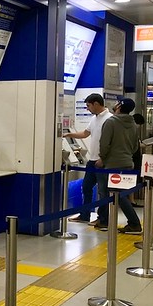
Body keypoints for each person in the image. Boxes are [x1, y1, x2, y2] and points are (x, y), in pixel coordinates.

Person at [95, 98, 142, 234]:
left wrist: (102, 158)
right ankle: (110, 221)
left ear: (119, 106)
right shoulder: (132, 124)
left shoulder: (110, 122)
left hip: (112, 164)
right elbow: (134, 147)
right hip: (127, 163)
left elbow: (104, 144)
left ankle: (134, 224)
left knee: (117, 195)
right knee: (121, 194)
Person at [64, 93, 111, 224]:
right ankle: (85, 214)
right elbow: (85, 134)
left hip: (102, 162)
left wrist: (103, 159)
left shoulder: (109, 119)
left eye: (89, 106)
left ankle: (103, 219)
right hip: (92, 160)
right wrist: (68, 134)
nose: (87, 109)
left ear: (96, 104)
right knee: (86, 187)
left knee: (103, 191)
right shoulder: (94, 118)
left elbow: (111, 143)